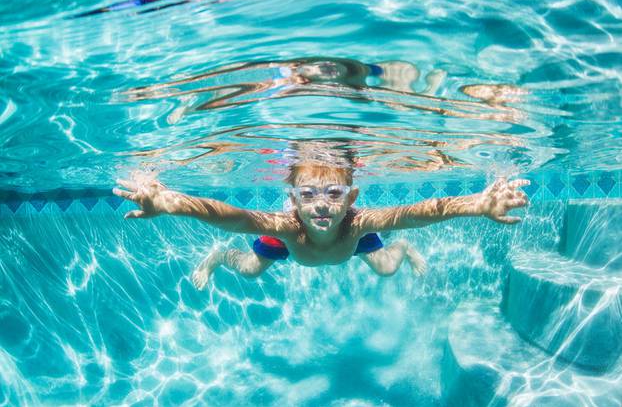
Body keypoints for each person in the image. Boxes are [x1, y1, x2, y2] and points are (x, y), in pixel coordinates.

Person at [113, 142, 529, 289]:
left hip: (346, 246)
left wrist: (476, 204)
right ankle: (217, 256)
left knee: (386, 268)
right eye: (308, 194)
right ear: (293, 201)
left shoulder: (357, 222)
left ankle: (403, 251)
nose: (322, 205)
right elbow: (237, 217)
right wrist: (171, 202)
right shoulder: (288, 226)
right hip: (297, 248)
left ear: (352, 198)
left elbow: (414, 214)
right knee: (249, 270)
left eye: (334, 193)